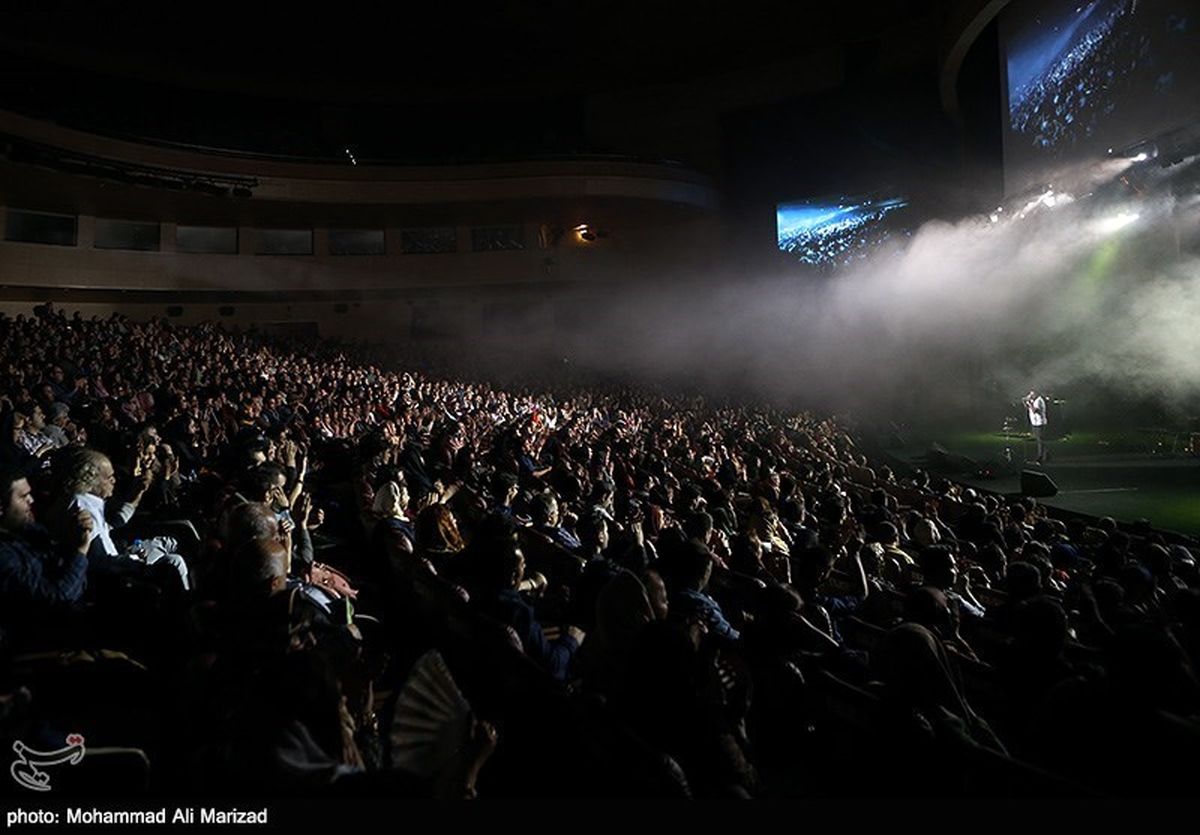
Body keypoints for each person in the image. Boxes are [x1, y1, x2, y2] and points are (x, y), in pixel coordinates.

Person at [1024, 389, 1048, 463]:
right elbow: (1028, 408)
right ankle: (1045, 455)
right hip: (1035, 423)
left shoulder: (1039, 400)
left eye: (1032, 394)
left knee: (1040, 441)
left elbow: (1035, 411)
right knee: (1039, 440)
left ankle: (1041, 457)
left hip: (1040, 423)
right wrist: (1026, 402)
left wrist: (1030, 404)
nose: (1031, 396)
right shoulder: (1034, 400)